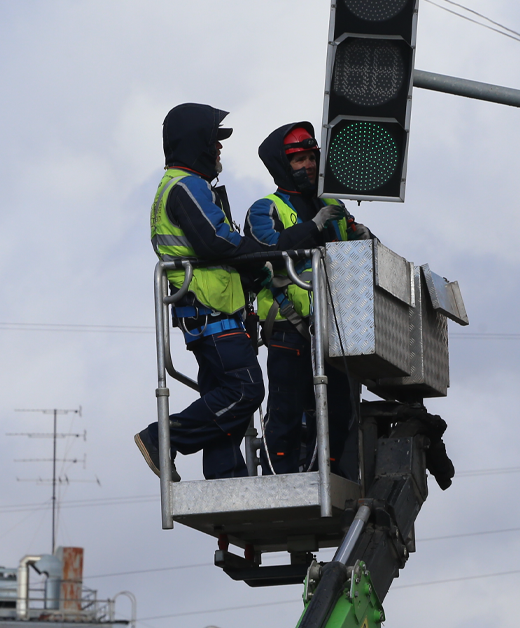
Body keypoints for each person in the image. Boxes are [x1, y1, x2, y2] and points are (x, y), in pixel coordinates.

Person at [135, 103, 267, 481]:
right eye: (215, 142)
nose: (219, 150)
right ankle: (163, 437)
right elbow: (215, 243)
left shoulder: (180, 186)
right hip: (213, 315)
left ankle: (227, 480)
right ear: (197, 144)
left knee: (220, 398)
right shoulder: (185, 186)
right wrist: (268, 251)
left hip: (207, 314)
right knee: (245, 391)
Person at [244, 122, 372, 477]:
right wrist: (314, 225)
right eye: (299, 159)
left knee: (339, 409)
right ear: (282, 166)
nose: (309, 166)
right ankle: (278, 480)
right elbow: (266, 248)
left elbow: (356, 256)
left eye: (312, 157)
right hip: (288, 326)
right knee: (286, 408)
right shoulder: (264, 209)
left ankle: (326, 474)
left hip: (335, 328)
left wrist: (363, 236)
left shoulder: (332, 204)